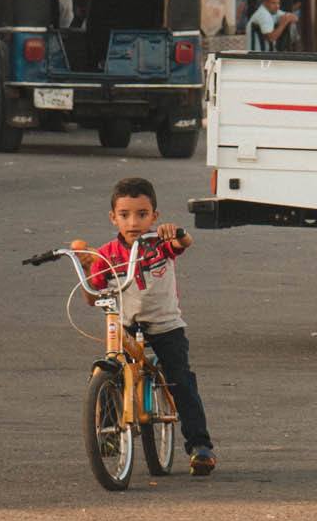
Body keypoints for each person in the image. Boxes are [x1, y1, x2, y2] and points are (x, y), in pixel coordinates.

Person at [73, 177, 216, 477]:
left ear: (155, 216)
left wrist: (176, 233)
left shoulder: (159, 243)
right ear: (113, 217)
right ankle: (109, 432)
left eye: (142, 214)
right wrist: (86, 269)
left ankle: (200, 446)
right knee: (104, 372)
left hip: (166, 326)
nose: (133, 221)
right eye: (124, 215)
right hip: (123, 326)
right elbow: (91, 297)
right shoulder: (106, 255)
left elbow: (184, 242)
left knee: (180, 380)